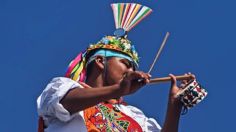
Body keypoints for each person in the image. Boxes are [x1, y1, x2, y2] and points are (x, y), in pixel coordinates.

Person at [37, 3, 194, 132]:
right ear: (100, 61)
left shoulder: (135, 116)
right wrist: (118, 89)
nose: (131, 72)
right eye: (125, 64)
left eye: (133, 68)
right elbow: (65, 103)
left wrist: (175, 106)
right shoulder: (64, 89)